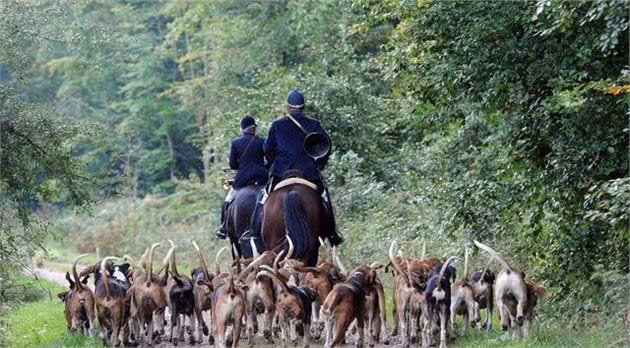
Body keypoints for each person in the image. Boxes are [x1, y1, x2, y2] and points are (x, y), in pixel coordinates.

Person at [261, 90, 343, 246]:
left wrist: (274, 163)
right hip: (308, 173)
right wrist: (319, 164)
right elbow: (326, 146)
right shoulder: (314, 124)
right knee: (324, 197)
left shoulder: (277, 125)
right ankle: (332, 233)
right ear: (303, 107)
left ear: (288, 106)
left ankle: (256, 232)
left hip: (281, 173)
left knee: (263, 199)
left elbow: (267, 149)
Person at [216, 115, 268, 239]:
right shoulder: (262, 141)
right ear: (253, 128)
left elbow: (233, 165)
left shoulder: (236, 143)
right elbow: (270, 159)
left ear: (242, 129)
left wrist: (243, 165)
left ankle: (223, 227)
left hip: (243, 179)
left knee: (228, 200)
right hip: (263, 178)